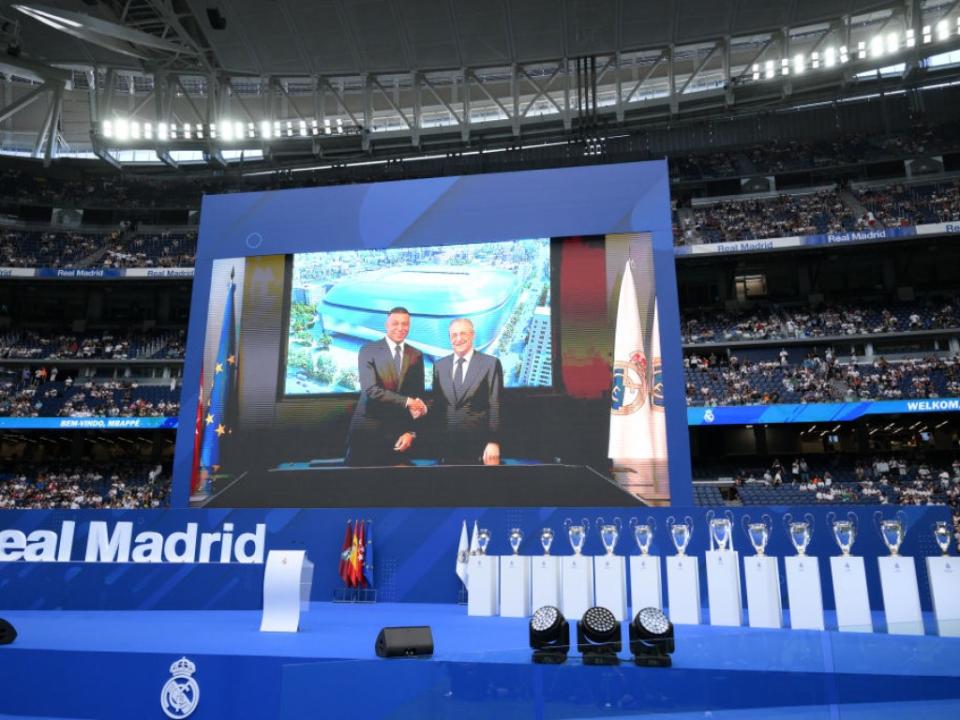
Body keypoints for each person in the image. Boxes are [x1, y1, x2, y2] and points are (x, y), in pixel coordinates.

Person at [344, 307, 426, 466]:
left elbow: (418, 397)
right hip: (367, 434)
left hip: (398, 435)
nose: (400, 328)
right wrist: (407, 401)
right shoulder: (368, 350)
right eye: (395, 323)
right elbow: (371, 390)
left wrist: (411, 432)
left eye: (405, 324)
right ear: (386, 324)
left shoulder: (416, 355)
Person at [430, 318, 503, 465]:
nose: (458, 339)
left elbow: (496, 405)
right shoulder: (439, 366)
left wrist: (494, 442)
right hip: (447, 449)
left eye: (463, 333)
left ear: (472, 335)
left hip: (480, 449)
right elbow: (438, 406)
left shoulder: (490, 363)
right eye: (454, 335)